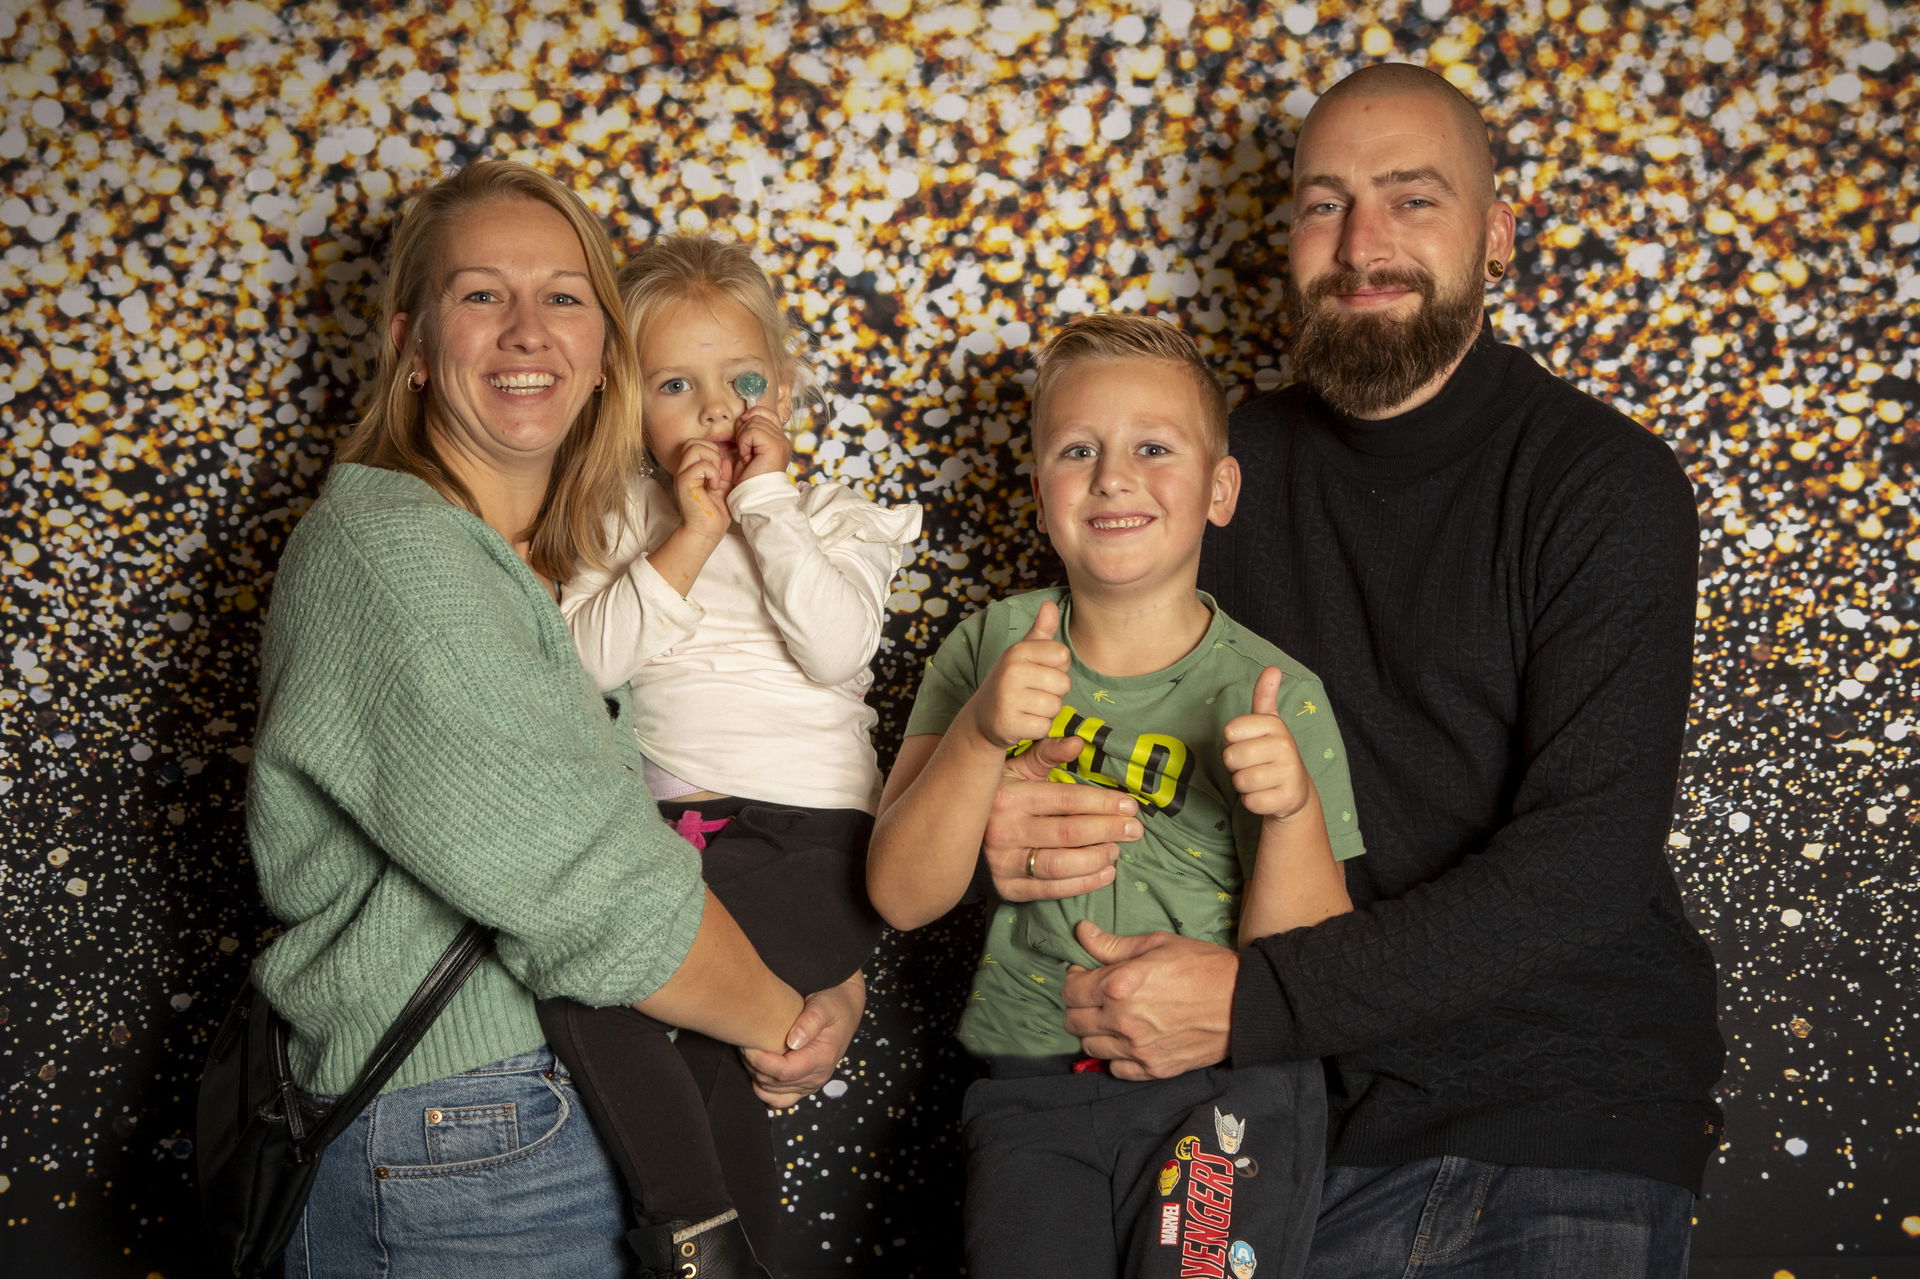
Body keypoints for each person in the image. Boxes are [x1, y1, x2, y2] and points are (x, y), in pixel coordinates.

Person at [981, 65, 1725, 1276]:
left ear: (1495, 237)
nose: (1362, 245)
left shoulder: (1604, 485)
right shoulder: (1211, 476)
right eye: (1325, 204)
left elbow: (1585, 859)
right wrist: (1017, 812)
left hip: (1566, 1109)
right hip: (1293, 1123)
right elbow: (1087, 711)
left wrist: (1255, 1001)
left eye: (1411, 200)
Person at [244, 162, 862, 1279]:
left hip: (541, 1118)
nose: (528, 329)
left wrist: (824, 960)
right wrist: (783, 1017)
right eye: (482, 294)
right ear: (412, 347)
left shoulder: (537, 570)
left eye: (565, 296)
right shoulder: (391, 554)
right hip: (466, 1138)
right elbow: (591, 888)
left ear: (603, 356)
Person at [869, 314, 1365, 1278]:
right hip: (1029, 1094)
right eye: (1078, 449)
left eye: (1152, 446)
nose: (1113, 476)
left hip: (1226, 1099)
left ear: (1220, 490)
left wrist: (1292, 813)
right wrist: (978, 734)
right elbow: (899, 893)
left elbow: (1308, 969)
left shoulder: (1279, 691)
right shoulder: (986, 647)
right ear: (1041, 489)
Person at [535, 234, 920, 1277]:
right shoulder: (617, 519)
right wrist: (690, 536)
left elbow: (836, 642)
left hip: (810, 839)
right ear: (627, 404)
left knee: (685, 1007)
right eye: (676, 384)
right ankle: (709, 1236)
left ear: (785, 394)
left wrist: (762, 508)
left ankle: (703, 1237)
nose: (715, 408)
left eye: (743, 381)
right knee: (585, 980)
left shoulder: (836, 517)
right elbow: (582, 661)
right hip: (666, 835)